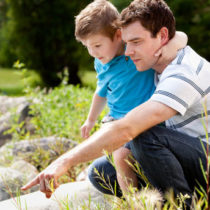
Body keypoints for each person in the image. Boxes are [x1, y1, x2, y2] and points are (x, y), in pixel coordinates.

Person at [22, 0, 210, 208]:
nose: (128, 52)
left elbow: (128, 128)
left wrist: (63, 162)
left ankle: (182, 204)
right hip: (179, 153)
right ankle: (150, 200)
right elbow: (177, 36)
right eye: (127, 43)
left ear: (163, 37)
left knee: (142, 135)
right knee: (100, 171)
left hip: (205, 161)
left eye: (136, 42)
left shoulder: (183, 73)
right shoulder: (159, 61)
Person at [75, 0, 187, 193]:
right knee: (109, 153)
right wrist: (90, 119)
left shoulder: (136, 52)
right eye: (87, 46)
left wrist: (169, 47)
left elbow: (181, 36)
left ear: (118, 35)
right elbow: (101, 92)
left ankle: (134, 202)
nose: (92, 52)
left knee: (121, 156)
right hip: (116, 119)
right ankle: (135, 194)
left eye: (97, 45)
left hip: (144, 120)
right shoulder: (101, 62)